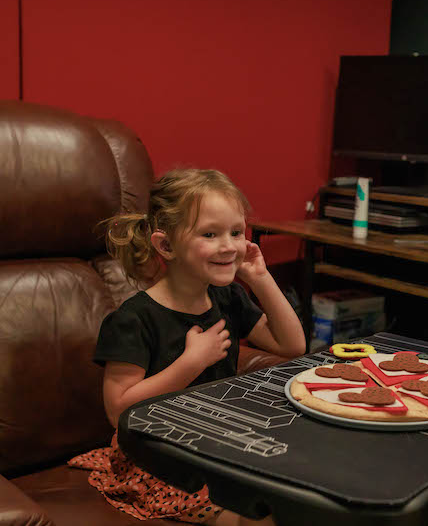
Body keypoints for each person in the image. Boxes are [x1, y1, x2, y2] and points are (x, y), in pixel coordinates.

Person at [69, 169, 306, 526]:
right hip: (157, 454)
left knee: (301, 491)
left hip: (217, 439)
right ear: (166, 246)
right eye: (210, 234)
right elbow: (119, 413)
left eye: (236, 232)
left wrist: (260, 277)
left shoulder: (227, 297)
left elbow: (292, 344)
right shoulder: (133, 319)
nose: (229, 246)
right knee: (250, 518)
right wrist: (190, 363)